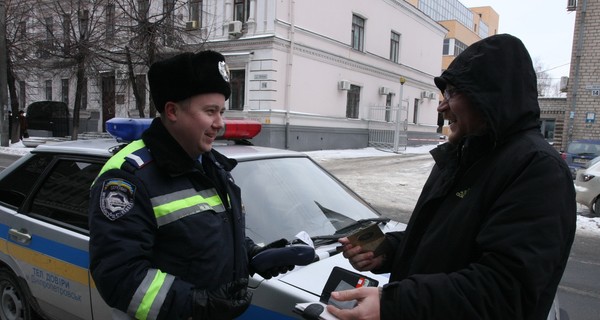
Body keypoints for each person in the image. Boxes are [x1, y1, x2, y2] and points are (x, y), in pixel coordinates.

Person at [328, 34, 576, 320]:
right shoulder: (462, 154)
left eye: (454, 94)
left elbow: (505, 291)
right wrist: (388, 250)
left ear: (489, 97)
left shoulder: (535, 169)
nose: (441, 107)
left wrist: (395, 303)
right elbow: (443, 239)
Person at [89, 51, 291, 320]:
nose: (219, 123)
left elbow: (202, 236)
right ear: (172, 111)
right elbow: (120, 276)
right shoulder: (128, 177)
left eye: (221, 111)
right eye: (210, 111)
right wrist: (198, 304)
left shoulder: (211, 165)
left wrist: (251, 254)